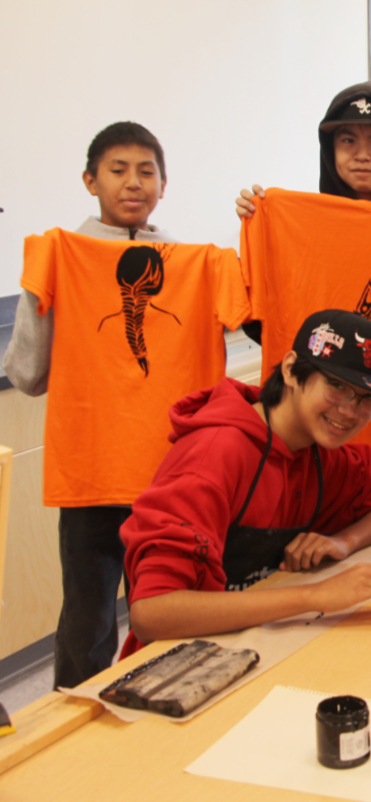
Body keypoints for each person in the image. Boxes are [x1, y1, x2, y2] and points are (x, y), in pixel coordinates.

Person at [120, 309, 371, 655]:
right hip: (176, 661)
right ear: (291, 369)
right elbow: (152, 612)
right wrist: (316, 595)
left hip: (256, 649)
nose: (349, 411)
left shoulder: (320, 453)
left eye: (367, 398)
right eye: (337, 386)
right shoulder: (214, 456)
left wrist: (345, 542)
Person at [1, 122, 174, 689]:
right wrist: (46, 295)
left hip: (165, 471)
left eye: (145, 171)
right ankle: (74, 720)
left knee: (159, 610)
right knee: (90, 616)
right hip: (91, 472)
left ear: (164, 184)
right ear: (89, 180)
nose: (133, 183)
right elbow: (27, 375)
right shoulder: (58, 257)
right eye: (118, 170)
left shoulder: (186, 262)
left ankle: (160, 711)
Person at [234, 82, 371, 343]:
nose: (362, 155)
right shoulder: (303, 234)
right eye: (348, 141)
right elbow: (267, 325)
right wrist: (261, 232)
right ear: (330, 148)